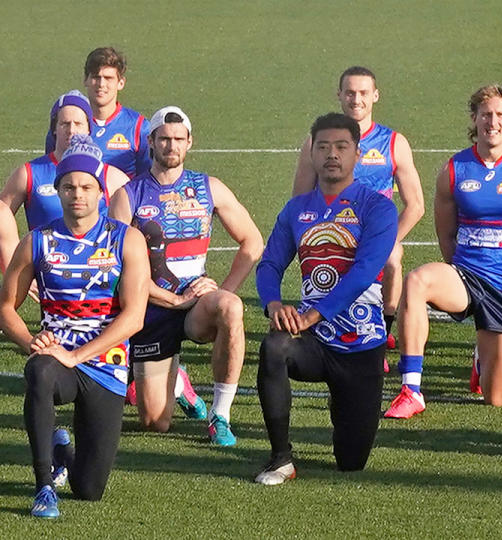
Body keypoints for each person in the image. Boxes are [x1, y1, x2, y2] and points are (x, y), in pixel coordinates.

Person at [0, 136, 149, 518]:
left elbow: (134, 317)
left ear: (101, 191)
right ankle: (44, 486)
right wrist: (32, 340)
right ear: (58, 190)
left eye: (86, 186)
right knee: (39, 371)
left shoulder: (126, 239)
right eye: (69, 186)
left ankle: (62, 450)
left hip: (106, 364)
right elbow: (6, 308)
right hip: (56, 359)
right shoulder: (38, 241)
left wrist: (77, 355)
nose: (77, 195)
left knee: (89, 489)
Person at [383, 85, 502, 418]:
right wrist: (458, 272)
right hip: (466, 276)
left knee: (496, 398)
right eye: (486, 114)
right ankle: (411, 389)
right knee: (417, 281)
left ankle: (482, 358)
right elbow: (446, 234)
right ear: (474, 119)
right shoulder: (454, 169)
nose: (493, 121)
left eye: (500, 115)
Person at [255, 112, 397, 484]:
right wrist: (273, 304)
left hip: (362, 342)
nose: (331, 154)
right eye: (323, 147)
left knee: (351, 461)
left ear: (357, 154)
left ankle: (344, 400)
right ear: (312, 154)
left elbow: (365, 272)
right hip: (314, 341)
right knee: (274, 346)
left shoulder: (377, 208)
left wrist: (314, 313)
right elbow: (269, 264)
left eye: (341, 147)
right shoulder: (297, 210)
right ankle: (281, 458)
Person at [109, 106, 263, 445]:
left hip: (198, 305)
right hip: (152, 308)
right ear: (151, 142)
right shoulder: (128, 196)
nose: (171, 146)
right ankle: (178, 384)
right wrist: (175, 300)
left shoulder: (209, 188)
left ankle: (220, 416)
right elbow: (117, 269)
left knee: (231, 307)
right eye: (164, 139)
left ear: (190, 142)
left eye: (179, 139)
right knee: (154, 422)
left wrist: (222, 290)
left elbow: (253, 241)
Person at [292, 66, 423, 353]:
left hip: (376, 233)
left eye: (363, 93)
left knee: (391, 258)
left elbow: (415, 205)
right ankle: (321, 325)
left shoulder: (393, 143)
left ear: (375, 96)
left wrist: (385, 239)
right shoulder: (317, 142)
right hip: (332, 231)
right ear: (339, 95)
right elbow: (300, 199)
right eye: (350, 92)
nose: (356, 99)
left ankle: (382, 331)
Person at [1, 91, 130, 270]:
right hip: (46, 272)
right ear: (54, 128)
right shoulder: (29, 173)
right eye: (64, 123)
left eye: (78, 123)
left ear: (88, 128)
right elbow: (2, 213)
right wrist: (14, 267)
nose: (71, 130)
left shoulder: (111, 176)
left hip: (97, 272)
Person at [68, 47, 151, 178]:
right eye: (96, 77)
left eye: (108, 78)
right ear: (85, 80)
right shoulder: (68, 124)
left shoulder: (139, 127)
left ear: (121, 83)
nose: (101, 84)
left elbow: (147, 180)